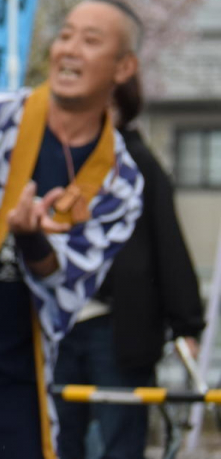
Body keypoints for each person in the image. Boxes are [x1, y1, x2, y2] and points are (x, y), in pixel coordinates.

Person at [0, 0, 146, 459]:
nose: (69, 49)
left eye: (90, 41)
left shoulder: (119, 180)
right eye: (65, 35)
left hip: (17, 377)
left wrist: (31, 237)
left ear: (123, 67)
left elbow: (68, 286)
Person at [54, 67, 205, 459]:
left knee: (120, 438)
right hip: (58, 321)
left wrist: (186, 321)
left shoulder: (138, 162)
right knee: (57, 436)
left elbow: (167, 242)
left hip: (118, 325)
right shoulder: (57, 154)